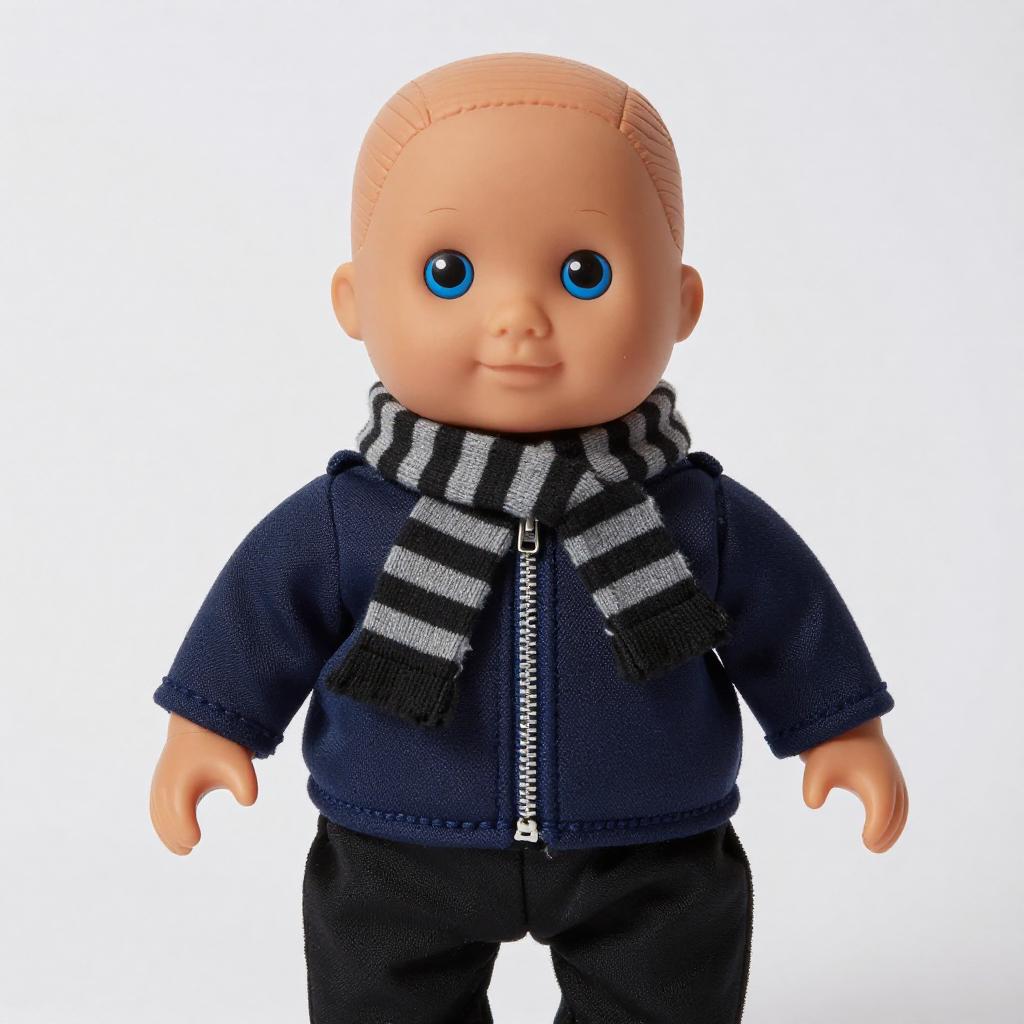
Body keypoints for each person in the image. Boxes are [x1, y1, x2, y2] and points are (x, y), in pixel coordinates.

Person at [150, 52, 908, 1024]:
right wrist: (209, 724)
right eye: (449, 273)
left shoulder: (693, 514)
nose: (517, 318)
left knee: (666, 993)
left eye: (583, 273)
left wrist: (840, 728)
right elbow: (259, 615)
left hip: (648, 835)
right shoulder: (349, 516)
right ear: (354, 299)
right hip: (398, 836)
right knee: (381, 998)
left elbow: (789, 620)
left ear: (680, 301)